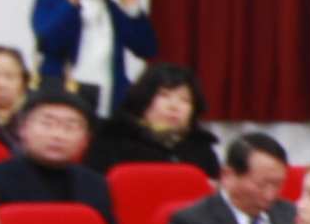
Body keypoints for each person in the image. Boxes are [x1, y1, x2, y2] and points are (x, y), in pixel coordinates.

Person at [30, 0, 156, 113]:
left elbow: (146, 49)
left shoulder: (113, 9)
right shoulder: (49, 1)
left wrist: (131, 7)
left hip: (108, 98)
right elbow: (49, 44)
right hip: (63, 94)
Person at [0, 94, 126, 224]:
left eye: (70, 127)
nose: (58, 135)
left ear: (86, 140)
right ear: (23, 129)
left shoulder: (95, 183)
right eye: (47, 124)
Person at [90, 64, 222, 176]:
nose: (174, 106)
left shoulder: (201, 149)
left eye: (185, 100)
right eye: (165, 96)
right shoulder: (114, 138)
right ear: (144, 98)